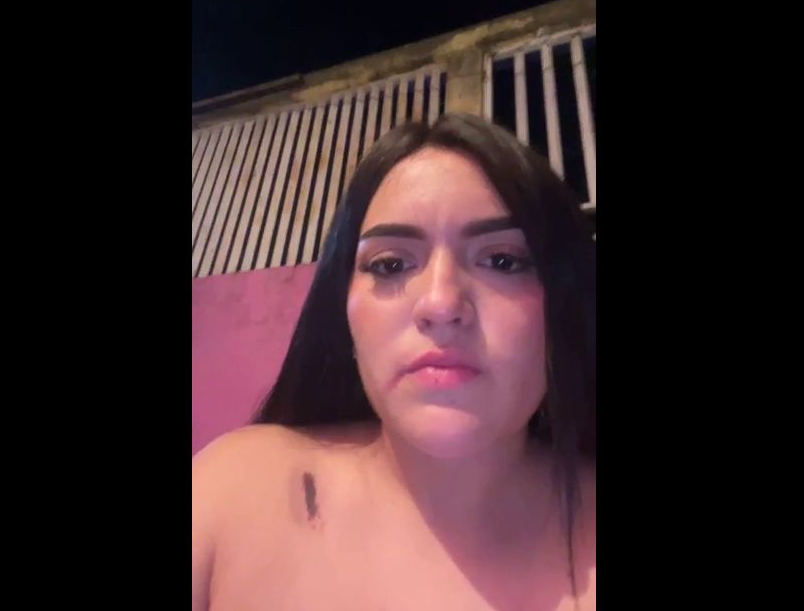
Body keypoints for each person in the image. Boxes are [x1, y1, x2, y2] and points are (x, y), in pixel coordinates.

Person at [193, 114, 596, 610]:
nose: (441, 303)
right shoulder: (236, 489)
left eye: (502, 261)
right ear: (344, 312)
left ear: (564, 304)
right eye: (390, 264)